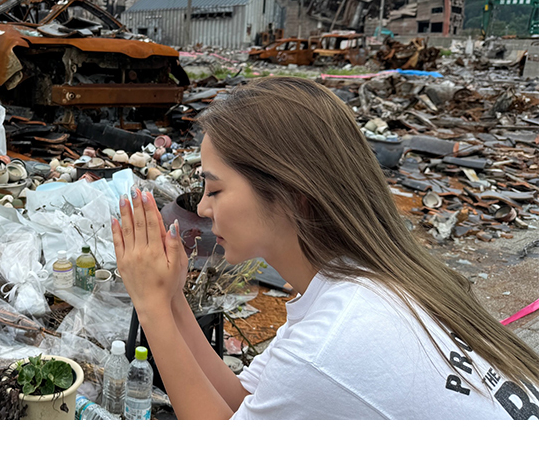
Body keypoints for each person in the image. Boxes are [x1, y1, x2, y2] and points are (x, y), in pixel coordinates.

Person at [112, 76, 539, 419]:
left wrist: (149, 306)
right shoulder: (359, 283)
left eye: (215, 188)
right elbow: (244, 402)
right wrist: (171, 299)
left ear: (292, 193)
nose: (202, 207)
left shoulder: (329, 346)